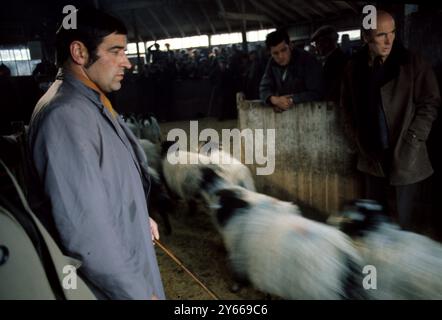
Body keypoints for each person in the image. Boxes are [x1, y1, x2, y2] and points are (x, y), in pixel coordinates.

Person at [27, 8, 165, 300]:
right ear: (79, 52)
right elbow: (86, 232)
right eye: (115, 51)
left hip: (127, 250)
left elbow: (106, 181)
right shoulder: (65, 117)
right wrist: (138, 293)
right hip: (110, 285)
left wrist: (138, 215)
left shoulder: (90, 103)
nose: (126, 62)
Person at [341, 10, 440, 230]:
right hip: (370, 156)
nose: (389, 40)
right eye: (381, 35)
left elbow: (430, 102)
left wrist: (413, 138)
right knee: (375, 221)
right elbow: (346, 106)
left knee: (401, 224)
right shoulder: (353, 67)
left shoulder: (413, 63)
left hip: (405, 154)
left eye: (392, 32)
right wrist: (356, 138)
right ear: (366, 37)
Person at [259, 29, 325, 113]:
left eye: (284, 50)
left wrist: (291, 100)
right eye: (275, 53)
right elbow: (264, 88)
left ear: (290, 45)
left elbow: (317, 92)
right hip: (286, 117)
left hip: (311, 114)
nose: (280, 56)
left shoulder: (307, 60)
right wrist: (273, 99)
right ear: (270, 52)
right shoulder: (272, 62)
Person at [311, 25, 348, 103]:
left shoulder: (335, 61)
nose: (316, 47)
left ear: (326, 43)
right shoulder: (339, 57)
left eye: (317, 43)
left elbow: (330, 88)